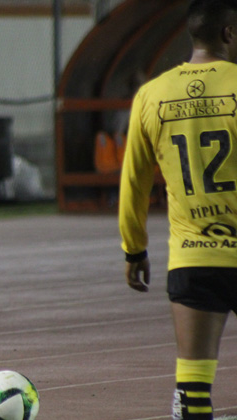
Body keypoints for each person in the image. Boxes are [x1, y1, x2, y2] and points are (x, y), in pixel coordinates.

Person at [118, 1, 237, 419]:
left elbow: (134, 183)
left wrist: (134, 249)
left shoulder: (152, 95)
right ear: (228, 34)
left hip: (194, 257)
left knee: (193, 388)